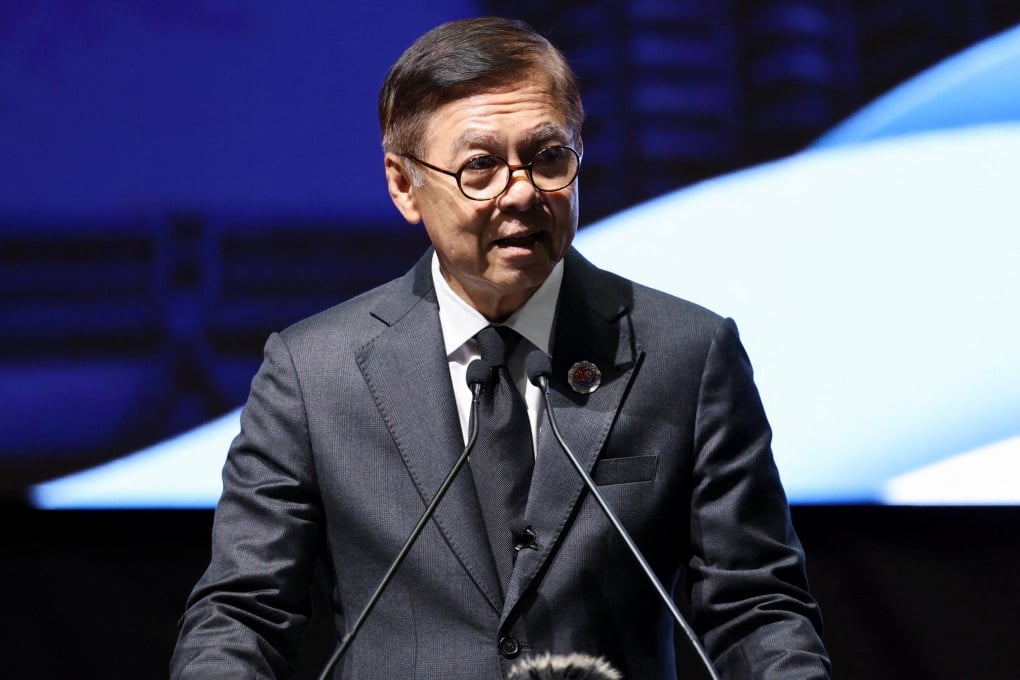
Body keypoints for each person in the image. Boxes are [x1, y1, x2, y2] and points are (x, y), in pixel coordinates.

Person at [171, 17, 831, 679]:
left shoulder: (686, 354)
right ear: (403, 184)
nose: (521, 193)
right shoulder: (315, 373)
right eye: (480, 167)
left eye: (549, 158)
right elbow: (243, 613)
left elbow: (757, 609)